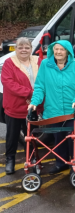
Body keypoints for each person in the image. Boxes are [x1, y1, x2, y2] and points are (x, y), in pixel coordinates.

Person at [28, 40, 75, 174]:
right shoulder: (45, 65)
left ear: (67, 51)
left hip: (72, 110)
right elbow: (40, 86)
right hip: (53, 110)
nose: (58, 52)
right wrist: (34, 102)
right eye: (56, 49)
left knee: (73, 139)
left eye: (61, 49)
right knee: (58, 139)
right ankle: (60, 163)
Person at [1, 38, 43, 175]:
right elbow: (9, 83)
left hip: (33, 107)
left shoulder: (38, 61)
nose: (24, 50)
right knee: (12, 136)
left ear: (31, 48)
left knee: (31, 136)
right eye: (20, 47)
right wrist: (30, 93)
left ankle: (32, 160)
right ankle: (10, 160)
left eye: (26, 47)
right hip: (15, 106)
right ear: (16, 49)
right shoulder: (9, 63)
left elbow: (44, 80)